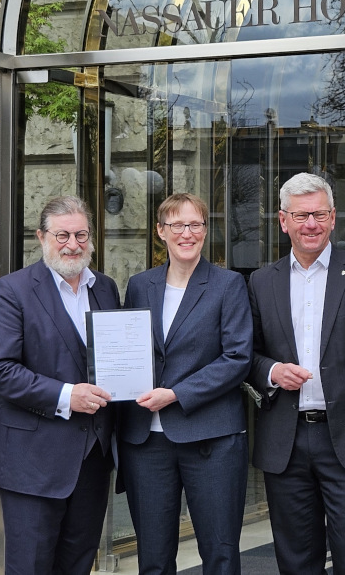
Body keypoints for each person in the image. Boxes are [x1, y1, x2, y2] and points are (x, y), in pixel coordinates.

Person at [246, 173, 345, 575]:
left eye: (318, 214)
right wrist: (273, 370)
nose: (309, 224)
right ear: (283, 221)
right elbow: (248, 355)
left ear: (332, 218)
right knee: (296, 562)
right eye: (300, 215)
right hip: (286, 440)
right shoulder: (262, 281)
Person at [0, 195, 120, 575]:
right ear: (41, 237)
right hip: (33, 462)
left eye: (81, 234)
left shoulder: (105, 288)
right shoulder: (12, 291)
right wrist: (66, 395)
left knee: (77, 566)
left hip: (92, 459)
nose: (73, 244)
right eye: (62, 235)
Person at [119, 193, 252, 575]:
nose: (187, 233)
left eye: (196, 225)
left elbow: (237, 358)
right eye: (178, 225)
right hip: (147, 443)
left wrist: (176, 394)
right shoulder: (141, 285)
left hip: (211, 439)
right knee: (154, 559)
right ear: (161, 232)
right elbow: (132, 351)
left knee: (220, 554)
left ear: (205, 231)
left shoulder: (228, 285)